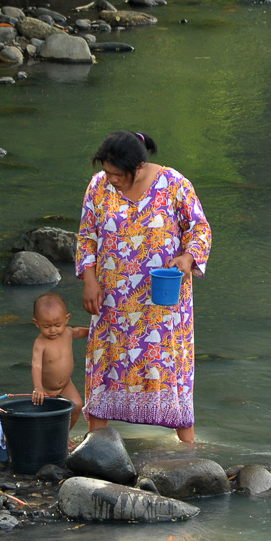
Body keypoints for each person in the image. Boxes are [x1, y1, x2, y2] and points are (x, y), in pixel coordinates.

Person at [76, 130, 211, 443]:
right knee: (106, 363)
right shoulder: (98, 186)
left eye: (116, 175)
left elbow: (200, 229)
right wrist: (90, 280)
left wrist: (189, 258)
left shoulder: (175, 184)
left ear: (136, 168)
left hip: (163, 304)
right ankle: (95, 442)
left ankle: (188, 445)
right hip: (111, 301)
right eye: (106, 172)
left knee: (168, 366)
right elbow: (86, 236)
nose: (110, 179)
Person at [30, 292, 88, 438]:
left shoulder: (68, 332)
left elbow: (79, 331)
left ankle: (62, 436)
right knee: (48, 418)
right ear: (36, 323)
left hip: (66, 384)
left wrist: (93, 331)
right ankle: (47, 438)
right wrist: (38, 388)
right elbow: (36, 365)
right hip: (47, 389)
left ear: (66, 319)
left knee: (77, 405)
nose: (53, 330)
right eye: (46, 326)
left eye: (57, 325)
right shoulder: (40, 342)